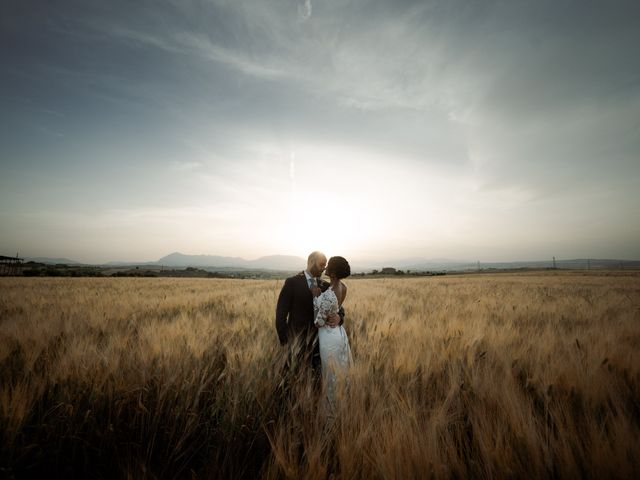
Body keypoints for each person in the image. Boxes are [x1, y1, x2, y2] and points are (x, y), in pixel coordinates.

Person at [275, 251, 343, 382]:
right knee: (291, 381)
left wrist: (340, 317)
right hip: (297, 341)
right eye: (322, 264)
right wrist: (285, 341)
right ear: (311, 262)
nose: (324, 268)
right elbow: (281, 314)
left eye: (325, 265)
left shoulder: (325, 285)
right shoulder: (292, 283)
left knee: (317, 381)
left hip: (320, 342)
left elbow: (339, 308)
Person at [313, 256, 352, 407]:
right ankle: (341, 403)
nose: (325, 267)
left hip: (328, 335)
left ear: (333, 273)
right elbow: (336, 309)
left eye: (328, 266)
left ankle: (331, 409)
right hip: (339, 332)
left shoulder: (329, 293)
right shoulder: (344, 287)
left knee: (330, 374)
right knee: (338, 370)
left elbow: (319, 322)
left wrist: (316, 297)